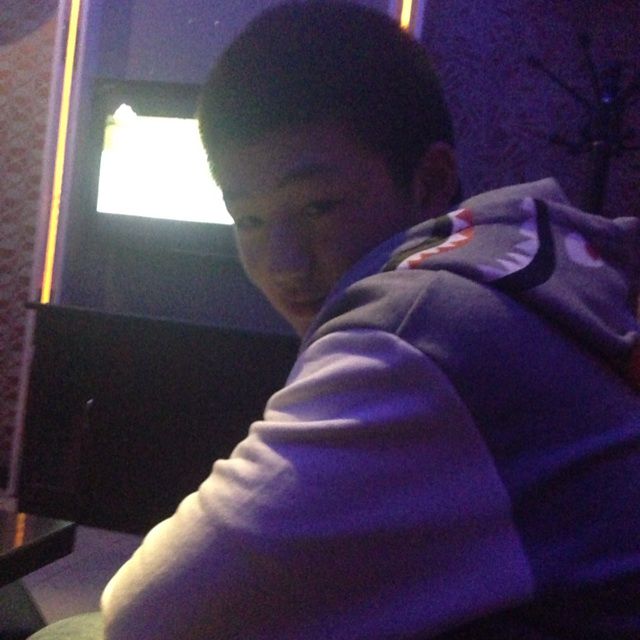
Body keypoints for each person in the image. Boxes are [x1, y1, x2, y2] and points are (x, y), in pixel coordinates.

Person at [29, 1, 640, 638]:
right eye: (249, 220)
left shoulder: (415, 332)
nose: (283, 264)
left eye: (318, 207)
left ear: (431, 180)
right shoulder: (526, 257)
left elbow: (151, 609)